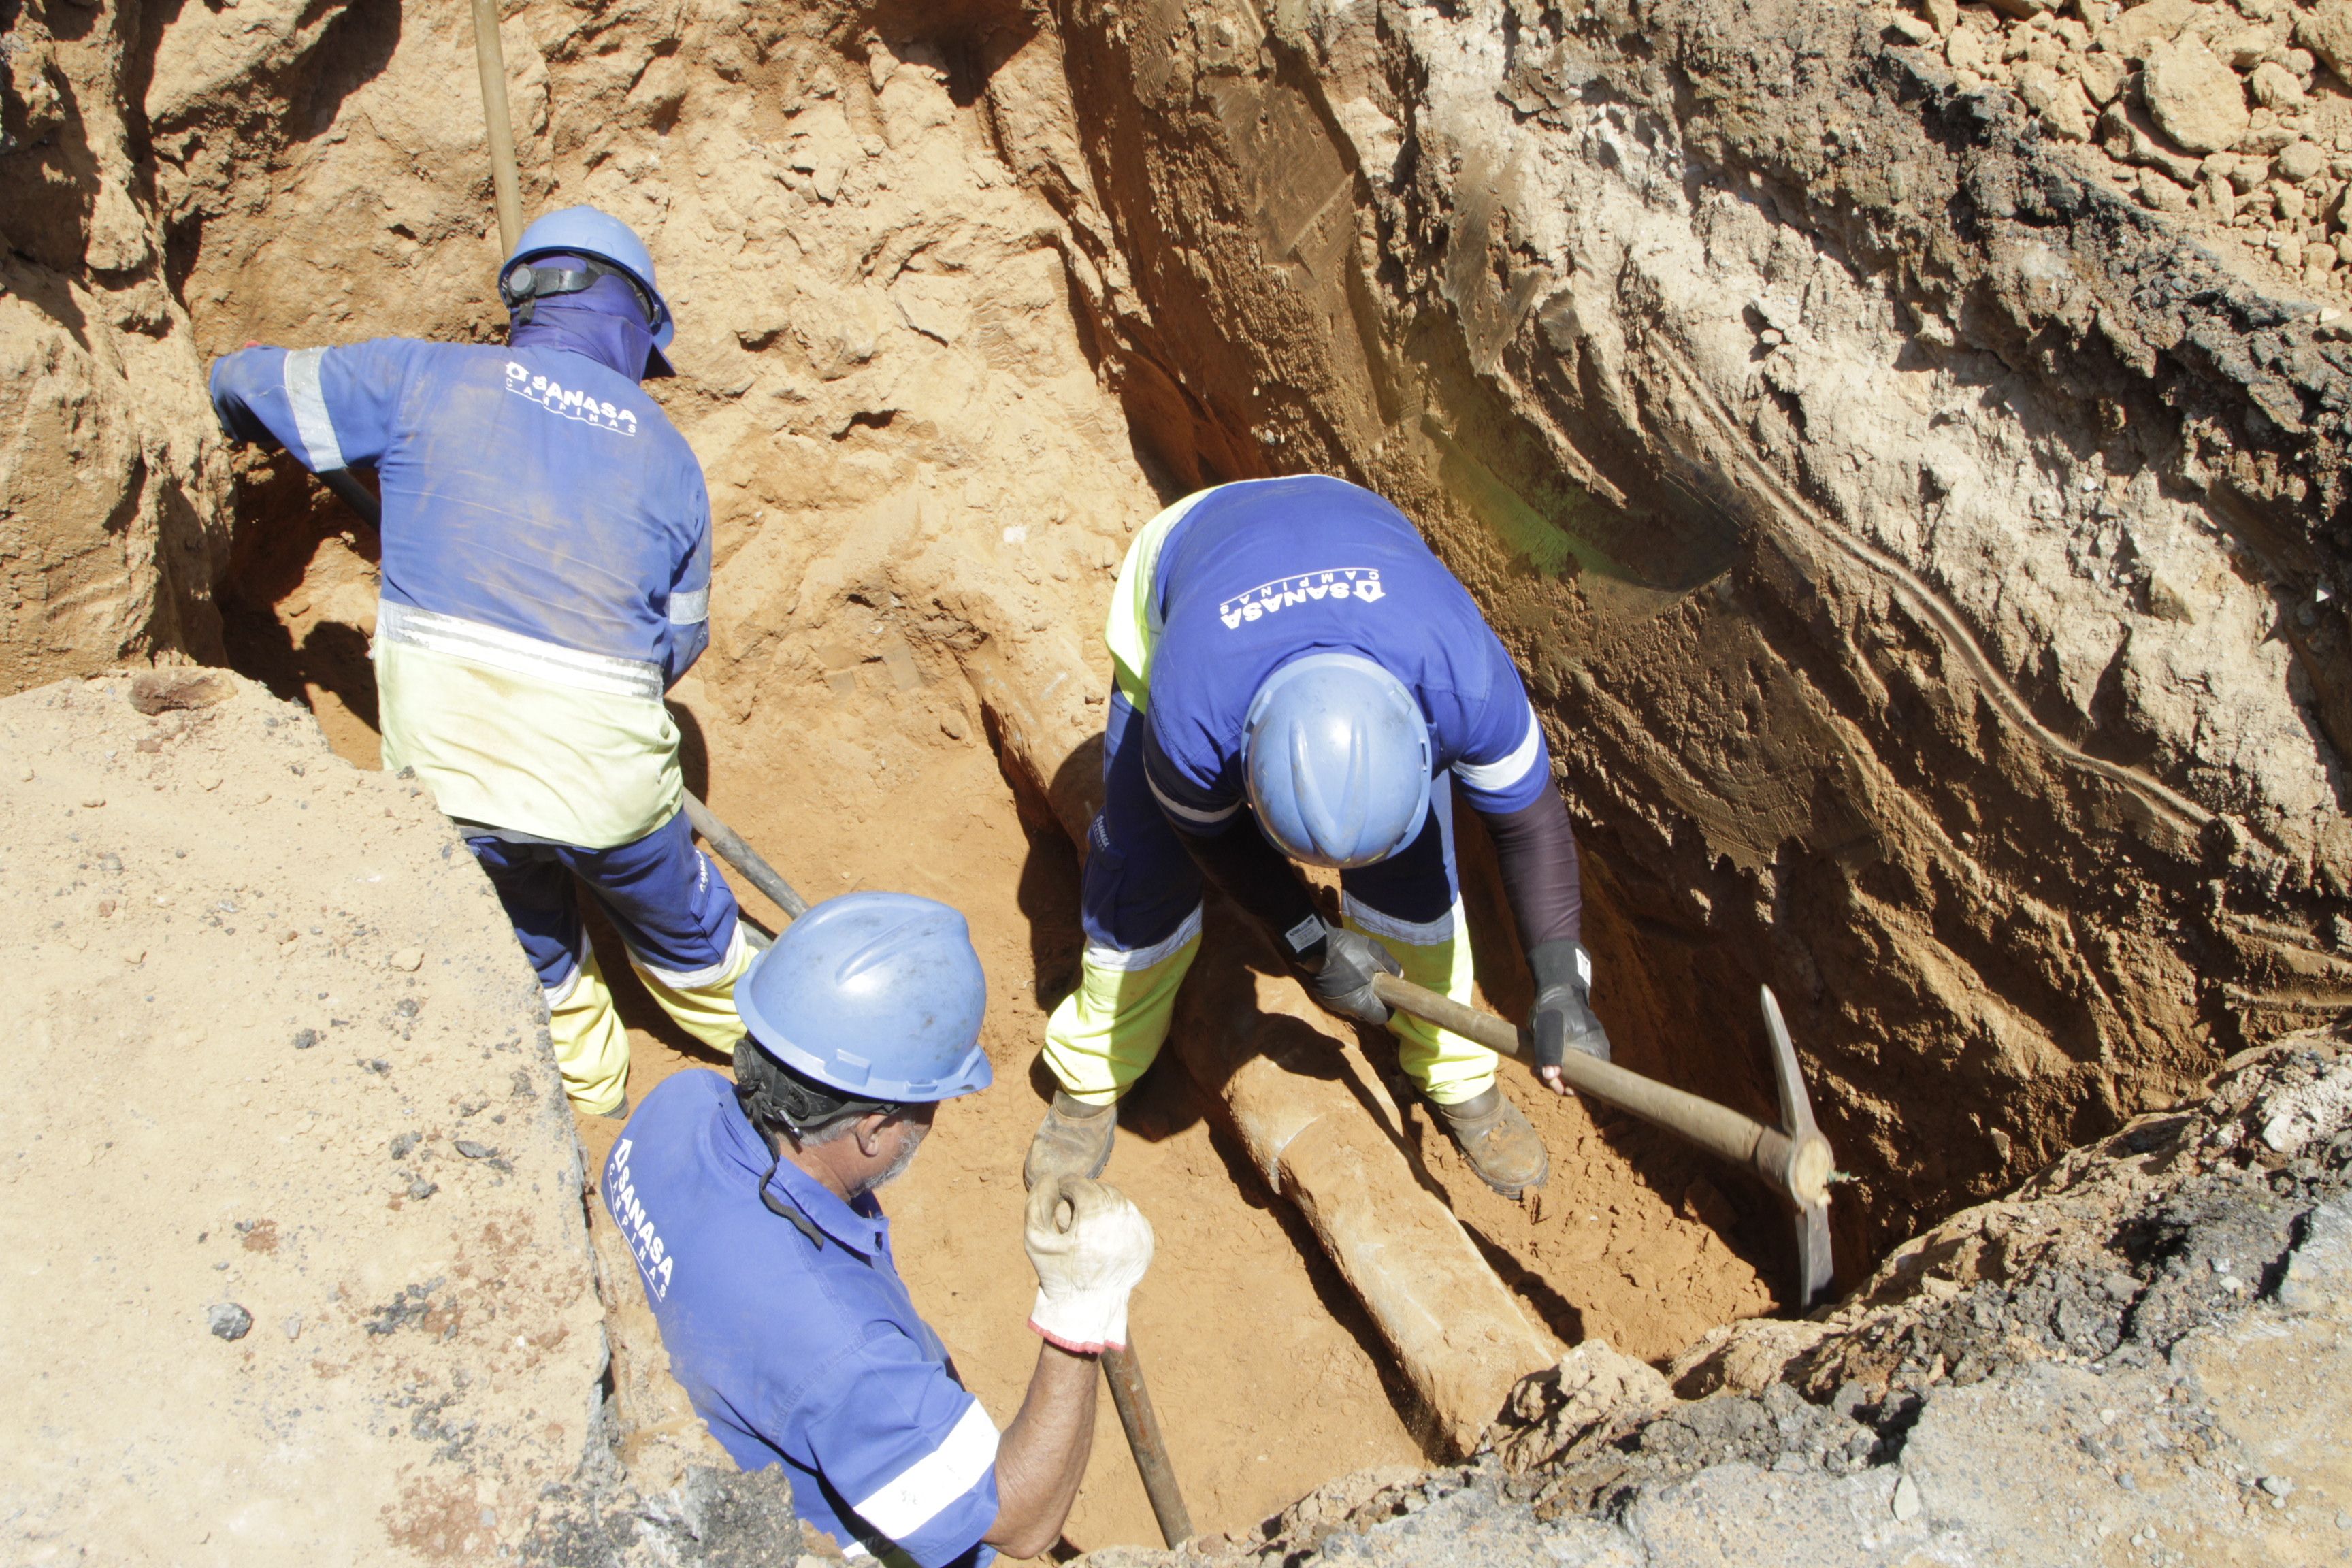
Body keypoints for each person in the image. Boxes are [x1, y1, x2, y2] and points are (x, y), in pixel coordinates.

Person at [208, 206, 743, 1116]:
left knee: (531, 941)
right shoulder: (672, 458)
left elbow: (250, 383)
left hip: (448, 778)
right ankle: (788, 1065)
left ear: (525, 301)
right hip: (608, 783)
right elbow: (679, 641)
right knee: (692, 935)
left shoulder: (420, 376)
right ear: (636, 327)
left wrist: (236, 380)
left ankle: (591, 1099)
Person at [1028, 474, 1610, 1198]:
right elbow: (1217, 844)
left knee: (1417, 886)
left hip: (1354, 529)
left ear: (1424, 744)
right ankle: (1092, 1074)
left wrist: (1562, 986)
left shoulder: (1464, 682)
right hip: (1190, 555)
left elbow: (1530, 825)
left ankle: (1455, 1072)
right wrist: (1310, 941)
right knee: (1141, 874)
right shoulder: (1190, 725)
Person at [606, 892, 1154, 1565]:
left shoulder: (681, 1101)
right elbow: (1020, 1523)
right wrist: (1082, 1306)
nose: (933, 1119)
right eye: (930, 1102)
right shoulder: (847, 1353)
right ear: (873, 1129)